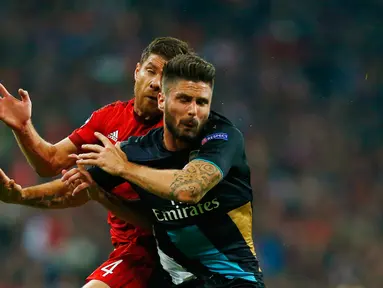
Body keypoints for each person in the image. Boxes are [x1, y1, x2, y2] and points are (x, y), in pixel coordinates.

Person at [0, 37, 193, 288]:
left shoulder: (178, 135)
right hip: (136, 257)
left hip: (179, 255)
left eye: (166, 78)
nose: (156, 83)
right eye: (150, 71)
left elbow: (152, 217)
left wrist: (24, 197)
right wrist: (23, 128)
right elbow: (52, 163)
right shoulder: (109, 118)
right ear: (137, 72)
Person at [64, 54, 266, 287]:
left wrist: (124, 169)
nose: (193, 111)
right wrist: (20, 195)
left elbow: (189, 189)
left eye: (202, 102)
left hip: (236, 280)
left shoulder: (223, 138)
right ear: (162, 100)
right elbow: (70, 185)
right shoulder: (138, 149)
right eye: (184, 99)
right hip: (179, 279)